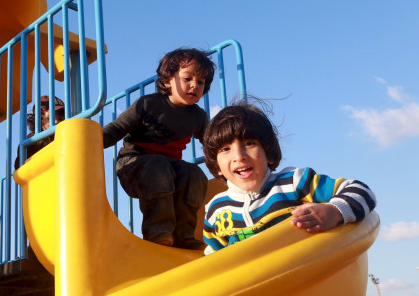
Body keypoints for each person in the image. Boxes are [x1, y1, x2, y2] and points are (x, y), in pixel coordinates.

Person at [202, 102, 376, 255]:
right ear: (217, 167)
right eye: (225, 149)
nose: (239, 156)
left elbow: (362, 191)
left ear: (268, 153)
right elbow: (214, 258)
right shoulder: (215, 211)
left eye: (249, 143)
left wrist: (334, 211)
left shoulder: (293, 183)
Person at [103, 47, 216, 250]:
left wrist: (224, 166)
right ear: (167, 81)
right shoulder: (147, 104)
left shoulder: (198, 116)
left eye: (201, 82)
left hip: (169, 168)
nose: (194, 85)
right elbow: (116, 129)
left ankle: (184, 234)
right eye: (188, 78)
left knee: (194, 173)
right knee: (158, 166)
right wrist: (90, 142)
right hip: (133, 166)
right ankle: (159, 232)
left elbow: (212, 144)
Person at [15, 95, 66, 169]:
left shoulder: (65, 137)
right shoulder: (32, 141)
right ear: (40, 120)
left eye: (61, 119)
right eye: (50, 119)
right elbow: (20, 169)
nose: (57, 121)